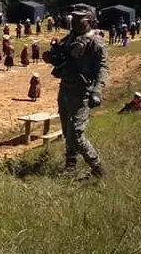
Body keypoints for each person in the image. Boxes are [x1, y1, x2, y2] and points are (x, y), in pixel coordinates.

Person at [43, 10, 108, 179]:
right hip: (65, 89)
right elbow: (62, 58)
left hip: (83, 93)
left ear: (89, 21)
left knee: (76, 135)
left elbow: (103, 69)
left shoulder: (96, 42)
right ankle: (70, 166)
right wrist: (51, 57)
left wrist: (97, 91)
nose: (75, 23)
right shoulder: (70, 39)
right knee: (66, 131)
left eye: (80, 20)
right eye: (74, 20)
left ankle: (97, 168)